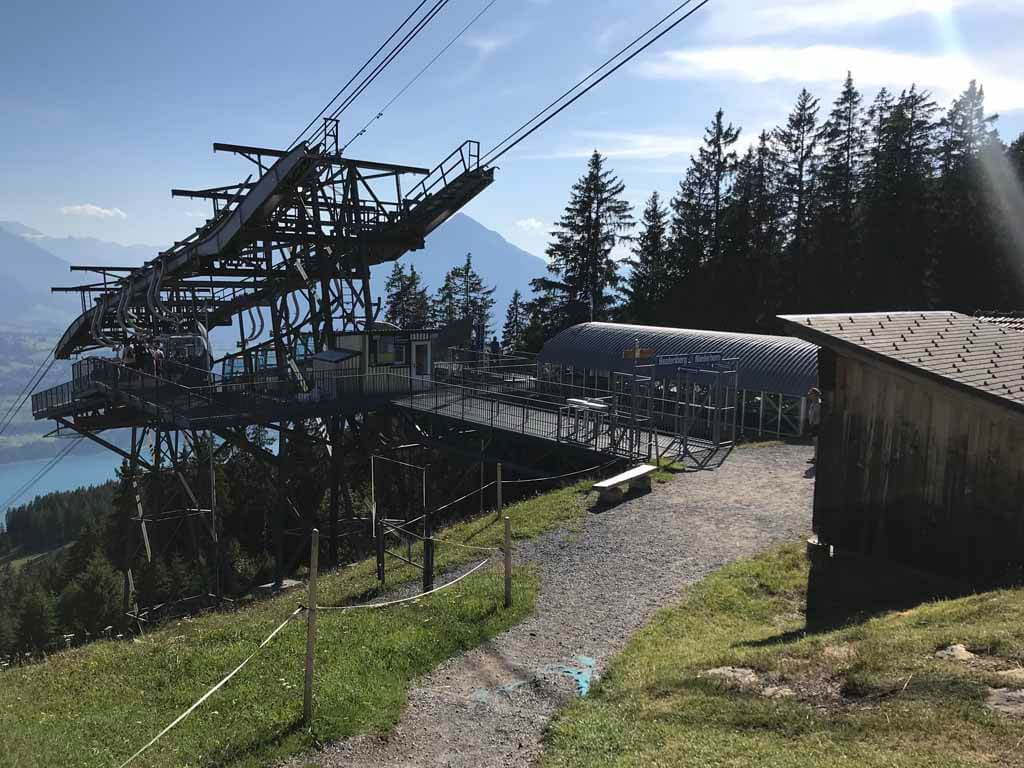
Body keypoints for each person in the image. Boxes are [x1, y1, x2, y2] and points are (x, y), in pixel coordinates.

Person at [806, 387, 821, 464]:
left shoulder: (818, 404)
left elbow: (816, 415)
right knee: (815, 442)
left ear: (815, 395)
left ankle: (816, 458)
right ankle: (815, 457)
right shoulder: (813, 403)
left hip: (816, 424)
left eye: (811, 394)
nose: (810, 396)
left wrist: (812, 424)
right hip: (813, 424)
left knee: (816, 442)